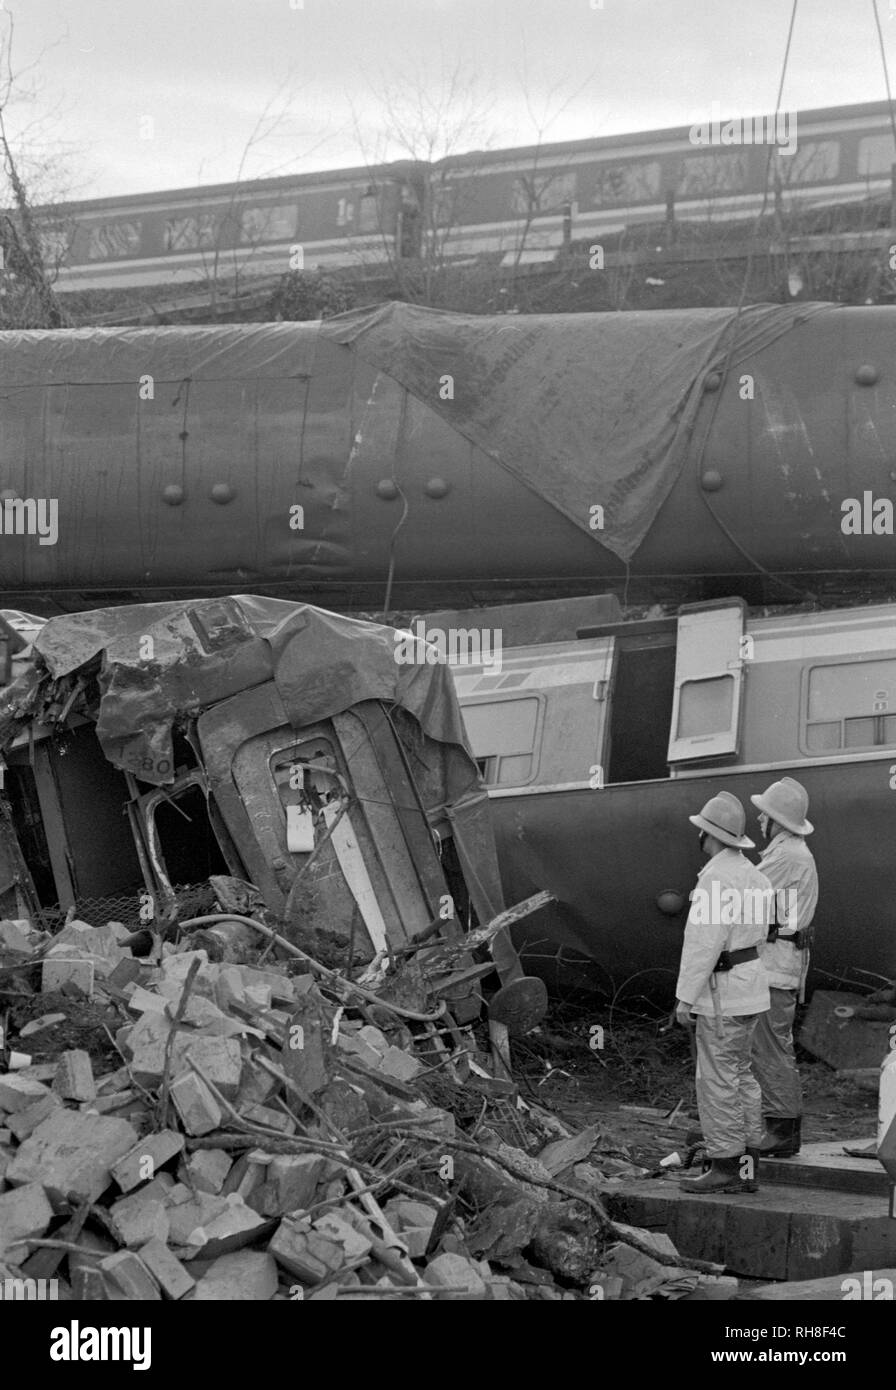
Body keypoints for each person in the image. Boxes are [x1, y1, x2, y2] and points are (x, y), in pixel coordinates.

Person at [675, 791, 772, 1195]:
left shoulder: (716, 878)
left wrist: (684, 998)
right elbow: (762, 939)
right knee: (742, 1076)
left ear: (707, 835)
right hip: (750, 991)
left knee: (716, 1081)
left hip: (722, 997)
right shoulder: (758, 876)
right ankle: (748, 1166)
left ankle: (725, 1167)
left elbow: (703, 944)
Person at [749, 777, 818, 1158]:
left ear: (778, 820)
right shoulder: (790, 853)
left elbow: (747, 898)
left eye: (765, 814)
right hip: (779, 963)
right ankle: (777, 1125)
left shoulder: (787, 856)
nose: (759, 820)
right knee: (772, 1045)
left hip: (774, 965)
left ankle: (781, 1129)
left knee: (770, 1046)